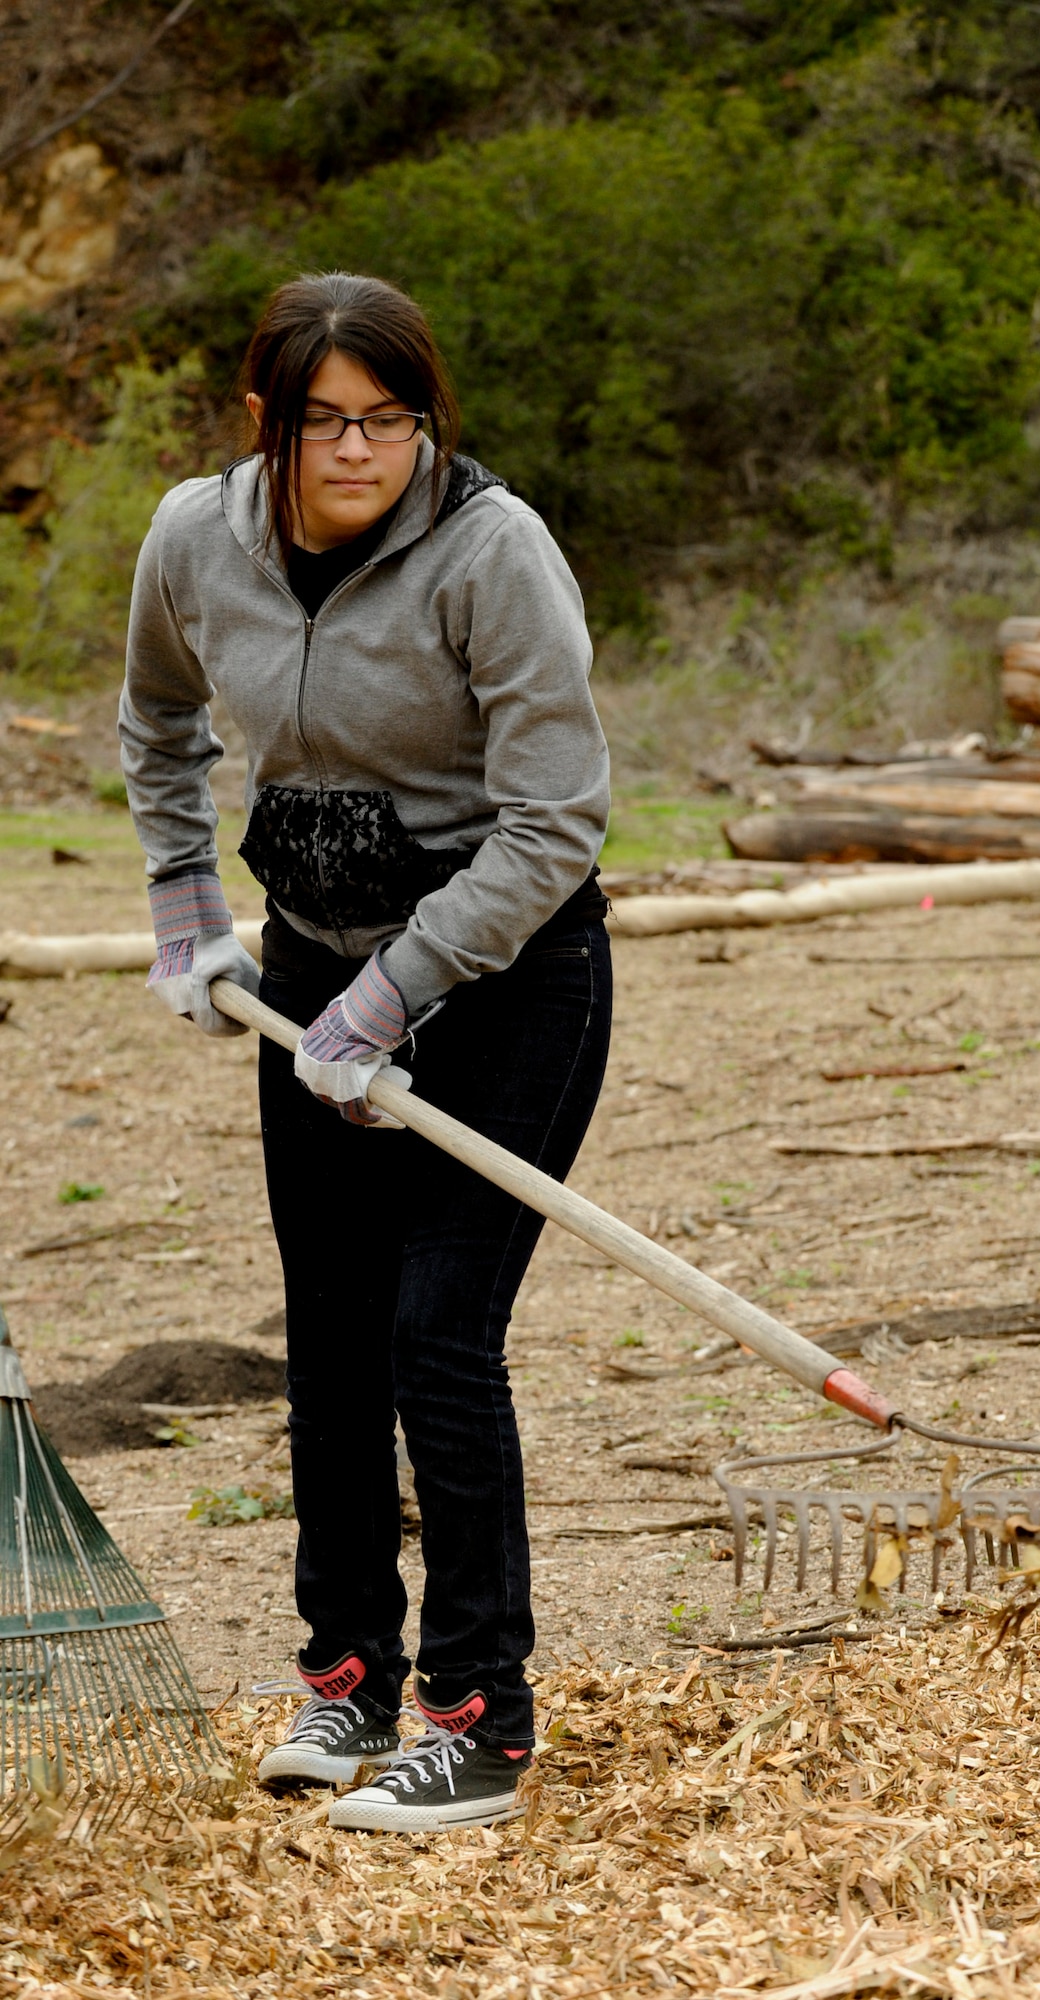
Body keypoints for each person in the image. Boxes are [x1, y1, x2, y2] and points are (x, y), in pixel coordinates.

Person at [118, 270, 612, 1831]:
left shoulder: (491, 551)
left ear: (424, 422)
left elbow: (553, 822)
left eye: (388, 422)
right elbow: (156, 725)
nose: (358, 454)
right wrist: (191, 905)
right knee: (329, 1343)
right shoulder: (196, 540)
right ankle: (346, 1682)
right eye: (324, 423)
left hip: (513, 983)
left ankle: (479, 1718)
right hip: (310, 969)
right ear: (265, 423)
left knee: (435, 1333)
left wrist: (399, 994)